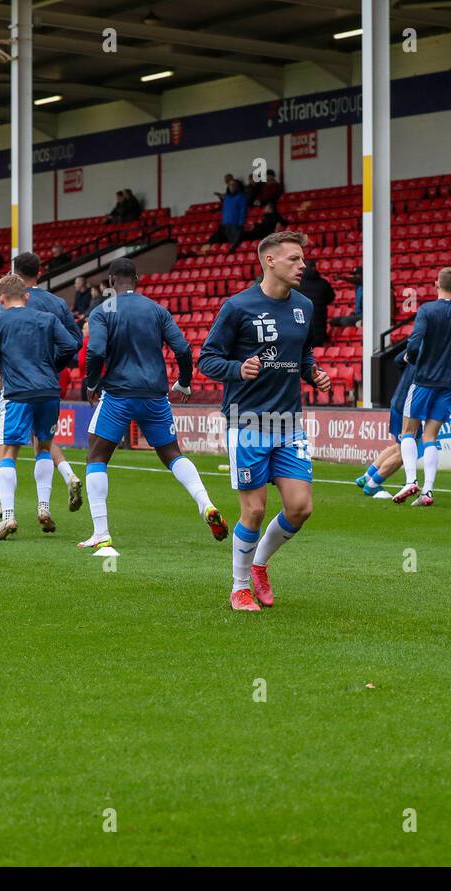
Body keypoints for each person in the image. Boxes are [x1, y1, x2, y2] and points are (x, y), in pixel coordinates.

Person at [198, 230, 332, 612]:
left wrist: (314, 373)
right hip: (247, 422)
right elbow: (209, 359)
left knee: (300, 508)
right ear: (269, 260)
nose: (302, 265)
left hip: (289, 423)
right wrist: (238, 369)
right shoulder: (237, 307)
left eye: (303, 259)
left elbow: (302, 354)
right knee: (253, 510)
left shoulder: (304, 306)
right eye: (294, 259)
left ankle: (258, 565)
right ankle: (239, 588)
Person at [79, 257, 225, 550]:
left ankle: (102, 532)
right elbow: (183, 348)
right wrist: (184, 381)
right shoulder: (157, 310)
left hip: (119, 394)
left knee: (96, 457)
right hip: (155, 395)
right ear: (137, 280)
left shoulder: (102, 311)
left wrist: (92, 383)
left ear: (110, 282)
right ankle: (206, 504)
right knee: (172, 454)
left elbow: (94, 351)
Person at [0, 251, 84, 528]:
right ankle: (43, 507)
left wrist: (5, 365)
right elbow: (72, 344)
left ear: (2, 298)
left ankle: (8, 515)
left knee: (9, 451)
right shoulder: (49, 315)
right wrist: (52, 365)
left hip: (17, 391)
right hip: (48, 390)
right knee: (43, 446)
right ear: (28, 294)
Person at [392, 268, 451, 507]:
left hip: (424, 380)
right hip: (450, 383)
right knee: (431, 436)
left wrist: (414, 358)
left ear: (436, 284)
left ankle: (411, 480)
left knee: (407, 432)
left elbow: (415, 341)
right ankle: (428, 491)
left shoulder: (427, 310)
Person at [355, 352, 419, 496]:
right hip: (409, 406)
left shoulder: (416, 345)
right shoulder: (431, 350)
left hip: (398, 400)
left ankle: (367, 477)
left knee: (398, 446)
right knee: (404, 454)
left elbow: (397, 359)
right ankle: (373, 484)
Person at [297, 259, 334, 349]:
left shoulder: (297, 284)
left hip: (301, 329)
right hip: (319, 328)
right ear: (315, 268)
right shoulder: (324, 283)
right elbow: (331, 298)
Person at [219, 180, 247, 250]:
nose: (232, 186)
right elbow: (224, 210)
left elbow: (243, 210)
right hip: (226, 223)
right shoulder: (227, 197)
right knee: (231, 241)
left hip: (236, 223)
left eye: (233, 185)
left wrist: (241, 222)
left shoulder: (241, 197)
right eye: (230, 185)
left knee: (235, 243)